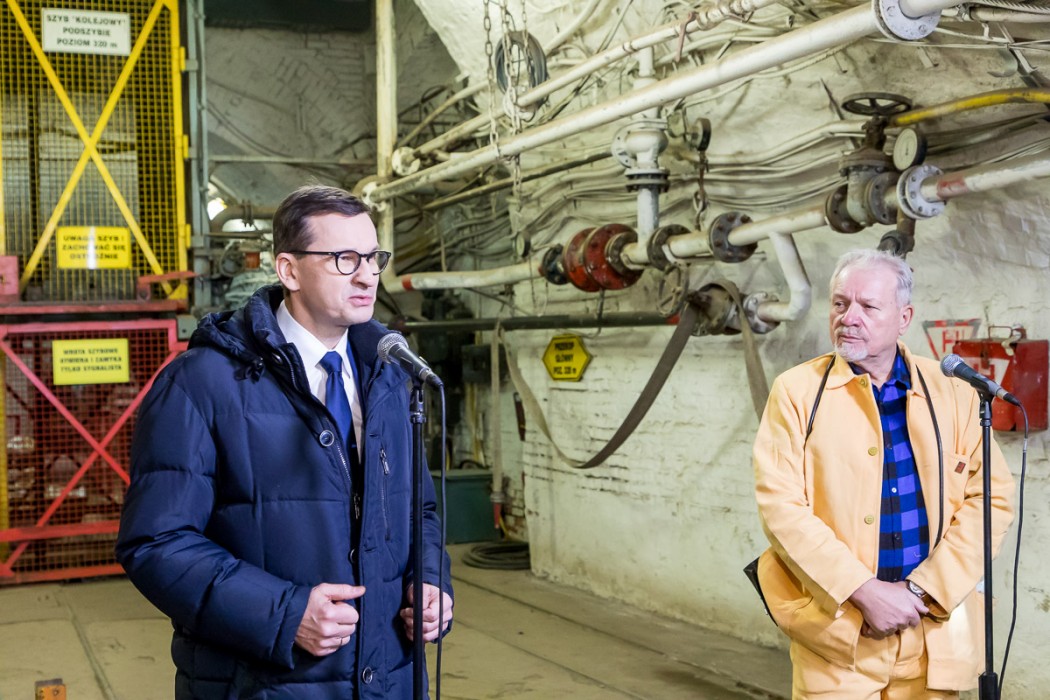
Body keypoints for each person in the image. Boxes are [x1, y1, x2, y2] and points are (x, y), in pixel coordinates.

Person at [116, 185, 453, 699]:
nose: (367, 276)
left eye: (373, 257)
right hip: (265, 685)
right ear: (289, 270)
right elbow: (155, 542)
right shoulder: (201, 383)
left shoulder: (390, 376)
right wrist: (284, 614)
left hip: (389, 680)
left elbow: (420, 510)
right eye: (344, 259)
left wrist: (429, 582)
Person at [752, 248, 1014, 698]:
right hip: (840, 634)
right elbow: (781, 507)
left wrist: (923, 590)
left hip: (934, 631)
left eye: (868, 306)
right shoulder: (796, 392)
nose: (848, 318)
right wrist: (863, 590)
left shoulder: (953, 392)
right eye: (840, 303)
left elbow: (991, 498)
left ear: (903, 317)